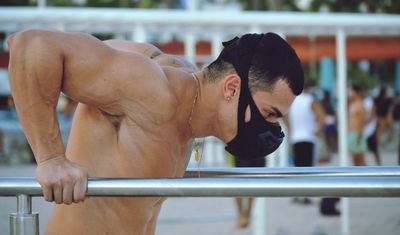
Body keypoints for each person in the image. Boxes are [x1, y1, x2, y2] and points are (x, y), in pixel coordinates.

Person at [7, 30, 304, 235]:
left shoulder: (179, 85)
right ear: (231, 88)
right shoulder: (153, 90)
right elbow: (31, 46)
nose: (270, 129)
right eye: (269, 114)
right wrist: (50, 159)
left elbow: (113, 48)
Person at [286, 81, 325, 204]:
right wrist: (319, 130)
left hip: (296, 137)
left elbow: (283, 115)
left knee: (297, 167)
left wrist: (290, 128)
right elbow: (321, 115)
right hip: (308, 137)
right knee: (308, 168)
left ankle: (298, 194)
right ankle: (306, 194)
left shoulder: (292, 101)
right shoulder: (310, 100)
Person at [233, 156, 265, 228]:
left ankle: (247, 214)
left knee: (254, 183)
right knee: (237, 184)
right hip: (239, 152)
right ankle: (242, 215)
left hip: (257, 152)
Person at [348, 85, 368, 166]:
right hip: (351, 133)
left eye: (351, 91)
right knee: (354, 160)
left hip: (357, 134)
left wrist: (359, 137)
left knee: (360, 160)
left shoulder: (360, 105)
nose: (350, 93)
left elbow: (362, 121)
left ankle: (366, 177)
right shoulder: (351, 104)